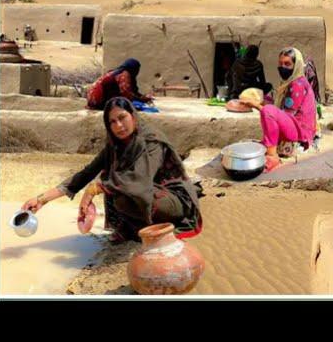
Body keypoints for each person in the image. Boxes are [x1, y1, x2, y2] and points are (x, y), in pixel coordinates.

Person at [21, 97, 203, 243]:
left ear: (132, 115)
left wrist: (93, 190)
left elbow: (138, 181)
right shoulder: (115, 146)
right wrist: (41, 199)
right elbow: (86, 173)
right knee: (111, 178)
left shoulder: (151, 141)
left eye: (122, 118)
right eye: (112, 122)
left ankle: (152, 228)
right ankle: (133, 228)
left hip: (175, 200)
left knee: (116, 187)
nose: (118, 126)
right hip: (149, 194)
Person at [239, 47, 317, 172]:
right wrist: (262, 100)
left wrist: (257, 106)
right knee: (268, 105)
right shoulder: (289, 82)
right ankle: (270, 146)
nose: (283, 67)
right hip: (294, 127)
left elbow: (285, 114)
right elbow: (280, 109)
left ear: (296, 65)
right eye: (280, 63)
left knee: (268, 111)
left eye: (287, 64)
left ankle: (272, 156)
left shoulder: (298, 84)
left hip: (300, 132)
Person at [86, 58, 153, 110]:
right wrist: (141, 99)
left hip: (93, 98)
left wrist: (142, 97)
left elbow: (133, 91)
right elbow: (126, 93)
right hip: (97, 100)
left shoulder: (118, 72)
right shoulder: (124, 75)